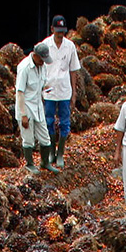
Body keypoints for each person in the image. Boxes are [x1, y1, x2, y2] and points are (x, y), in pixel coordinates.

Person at [42, 16, 82, 170]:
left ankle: (60, 153)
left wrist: (74, 92)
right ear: (52, 30)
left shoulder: (70, 46)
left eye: (62, 32)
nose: (60, 35)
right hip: (49, 89)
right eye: (58, 32)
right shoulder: (45, 45)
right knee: (49, 121)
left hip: (65, 90)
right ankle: (52, 151)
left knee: (65, 122)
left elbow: (73, 70)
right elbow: (41, 68)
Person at [14, 39, 52, 172]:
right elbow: (20, 92)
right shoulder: (24, 67)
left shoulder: (42, 67)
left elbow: (42, 85)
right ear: (35, 55)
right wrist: (23, 115)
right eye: (42, 59)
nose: (43, 62)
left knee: (45, 138)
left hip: (38, 106)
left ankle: (44, 162)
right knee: (28, 139)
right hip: (26, 107)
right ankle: (29, 164)